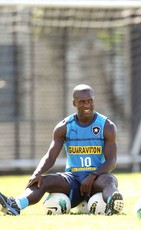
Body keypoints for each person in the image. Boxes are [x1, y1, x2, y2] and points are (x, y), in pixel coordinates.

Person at [0, 84, 124, 216]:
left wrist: (93, 175)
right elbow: (50, 156)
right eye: (82, 102)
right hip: (73, 180)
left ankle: (113, 203)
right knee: (42, 181)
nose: (87, 105)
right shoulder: (64, 127)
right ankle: (16, 205)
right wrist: (37, 173)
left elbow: (112, 161)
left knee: (109, 180)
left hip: (97, 179)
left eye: (90, 101)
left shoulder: (107, 126)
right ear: (74, 103)